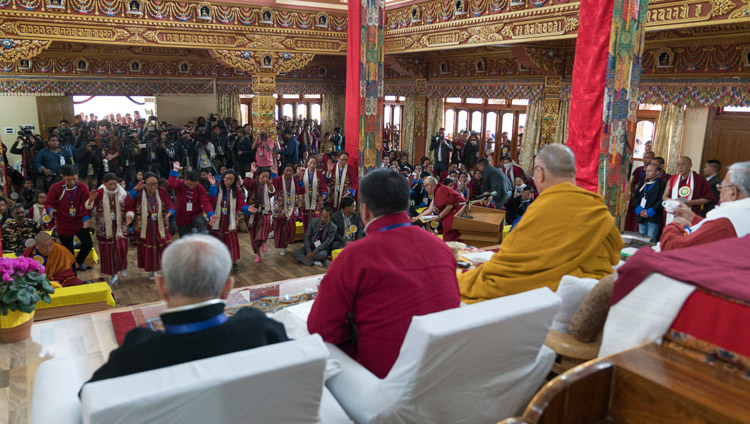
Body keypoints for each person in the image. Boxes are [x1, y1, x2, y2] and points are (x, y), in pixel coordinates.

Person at [307, 169, 460, 378]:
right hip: (442, 372)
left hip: (380, 382)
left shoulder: (354, 256)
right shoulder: (441, 247)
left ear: (365, 211)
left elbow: (321, 327)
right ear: (407, 205)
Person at [84, 235, 289, 385]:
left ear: (162, 287)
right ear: (227, 288)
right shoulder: (259, 330)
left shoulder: (137, 353)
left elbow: (89, 397)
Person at [458, 144, 623, 303]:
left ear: (540, 173)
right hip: (590, 299)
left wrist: (464, 279)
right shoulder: (598, 208)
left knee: (469, 283)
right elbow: (612, 256)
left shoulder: (543, 209)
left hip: (546, 301)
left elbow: (506, 269)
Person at [660, 161, 750, 250]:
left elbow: (671, 247)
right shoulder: (744, 213)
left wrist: (675, 224)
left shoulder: (726, 221)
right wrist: (693, 218)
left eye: (721, 187)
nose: (720, 191)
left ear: (733, 192)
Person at [85, 173, 133, 284]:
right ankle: (113, 274)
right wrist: (91, 200)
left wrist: (130, 215)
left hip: (121, 225)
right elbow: (89, 207)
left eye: (115, 184)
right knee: (108, 250)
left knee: (122, 246)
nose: (113, 186)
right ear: (104, 184)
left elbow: (129, 206)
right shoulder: (99, 193)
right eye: (110, 184)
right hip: (105, 227)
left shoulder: (123, 194)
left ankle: (122, 266)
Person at [44, 164, 93, 271]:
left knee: (88, 244)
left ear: (78, 176)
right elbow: (48, 203)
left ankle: (80, 260)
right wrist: (50, 210)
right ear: (63, 177)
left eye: (74, 179)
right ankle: (72, 275)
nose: (72, 182)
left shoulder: (83, 187)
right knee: (68, 253)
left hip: (79, 222)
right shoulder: (56, 188)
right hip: (63, 223)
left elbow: (86, 205)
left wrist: (86, 218)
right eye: (69, 179)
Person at [129, 172, 175, 279]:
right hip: (146, 225)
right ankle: (153, 270)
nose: (153, 187)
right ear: (144, 184)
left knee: (166, 244)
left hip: (161, 223)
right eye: (150, 184)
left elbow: (169, 203)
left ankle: (168, 267)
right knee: (151, 248)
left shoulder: (162, 191)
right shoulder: (139, 192)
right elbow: (128, 202)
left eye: (155, 184)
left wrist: (170, 211)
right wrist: (135, 189)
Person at [208, 169, 255, 272]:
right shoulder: (216, 187)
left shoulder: (236, 191)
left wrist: (247, 209)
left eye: (232, 180)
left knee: (231, 241)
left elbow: (241, 204)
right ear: (223, 178)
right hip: (217, 219)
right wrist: (212, 187)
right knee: (216, 241)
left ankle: (234, 262)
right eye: (227, 179)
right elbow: (211, 201)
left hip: (230, 219)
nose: (229, 181)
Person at [662, 156, 714, 224]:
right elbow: (664, 197)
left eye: (683, 164)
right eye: (678, 165)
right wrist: (674, 202)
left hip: (692, 212)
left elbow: (708, 198)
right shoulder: (672, 179)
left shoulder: (699, 179)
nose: (680, 167)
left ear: (690, 165)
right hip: (673, 213)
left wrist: (693, 202)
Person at [412, 176, 465, 241]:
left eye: (425, 186)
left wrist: (439, 217)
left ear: (429, 186)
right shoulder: (437, 191)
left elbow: (449, 206)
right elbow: (430, 209)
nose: (425, 189)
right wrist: (417, 217)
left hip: (457, 217)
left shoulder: (441, 190)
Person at [168, 163, 216, 237]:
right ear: (186, 180)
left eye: (194, 185)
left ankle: (202, 242)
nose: (191, 187)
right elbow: (171, 184)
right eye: (189, 184)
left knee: (201, 222)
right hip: (182, 217)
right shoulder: (180, 184)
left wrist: (210, 214)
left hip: (195, 214)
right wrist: (175, 170)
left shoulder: (200, 188)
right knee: (184, 239)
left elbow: (205, 202)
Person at [244, 167, 274, 263]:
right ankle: (258, 253)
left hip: (265, 211)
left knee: (266, 221)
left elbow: (273, 192)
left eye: (267, 177)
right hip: (253, 212)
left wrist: (270, 186)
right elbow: (246, 184)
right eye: (263, 176)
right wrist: (251, 172)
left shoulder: (267, 185)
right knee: (253, 234)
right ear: (258, 176)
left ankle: (263, 241)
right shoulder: (253, 184)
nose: (265, 179)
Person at [273, 164, 303, 256]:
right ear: (283, 171)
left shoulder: (295, 180)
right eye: (287, 170)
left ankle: (289, 240)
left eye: (290, 171)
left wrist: (301, 181)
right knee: (282, 227)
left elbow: (300, 191)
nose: (289, 173)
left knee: (291, 224)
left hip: (292, 205)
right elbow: (273, 190)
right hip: (280, 206)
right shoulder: (278, 179)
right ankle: (283, 246)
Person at [632, 163, 666, 242]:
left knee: (651, 239)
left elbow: (661, 200)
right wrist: (640, 210)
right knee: (641, 239)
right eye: (646, 171)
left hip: (653, 217)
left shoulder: (661, 185)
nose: (647, 173)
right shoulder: (642, 183)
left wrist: (649, 212)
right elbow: (636, 197)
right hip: (641, 215)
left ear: (657, 172)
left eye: (650, 171)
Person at [623, 151, 656, 232]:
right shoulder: (638, 169)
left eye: (648, 158)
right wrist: (633, 193)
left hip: (646, 198)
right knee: (632, 216)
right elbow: (632, 182)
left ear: (653, 159)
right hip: (636, 197)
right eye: (644, 157)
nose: (645, 160)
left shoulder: (653, 172)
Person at [299, 156, 329, 233]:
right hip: (304, 200)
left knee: (316, 220)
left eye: (314, 164)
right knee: (305, 221)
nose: (312, 165)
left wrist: (324, 195)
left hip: (316, 200)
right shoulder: (301, 173)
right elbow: (297, 186)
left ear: (317, 165)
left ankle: (315, 241)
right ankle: (306, 241)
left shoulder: (319, 174)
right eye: (310, 163)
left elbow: (323, 187)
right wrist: (300, 180)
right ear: (307, 163)